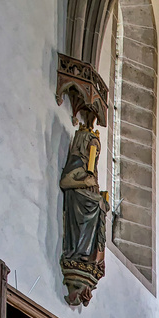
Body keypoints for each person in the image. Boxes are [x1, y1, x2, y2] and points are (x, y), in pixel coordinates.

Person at [59, 124, 108, 302]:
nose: (94, 153)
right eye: (92, 148)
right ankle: (79, 252)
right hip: (77, 205)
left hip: (86, 207)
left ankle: (89, 254)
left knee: (100, 204)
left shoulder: (90, 168)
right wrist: (85, 183)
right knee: (96, 204)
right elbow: (66, 182)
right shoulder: (77, 162)